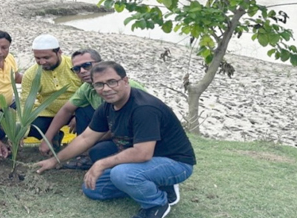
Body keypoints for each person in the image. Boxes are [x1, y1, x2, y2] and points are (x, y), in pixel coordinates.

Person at [36, 61, 195, 218]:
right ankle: (152, 184)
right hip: (142, 162)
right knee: (93, 188)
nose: (106, 89)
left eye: (112, 82)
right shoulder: (106, 107)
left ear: (125, 81)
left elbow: (142, 153)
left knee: (122, 174)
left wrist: (102, 164)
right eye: (99, 84)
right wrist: (55, 160)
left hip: (175, 162)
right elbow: (85, 138)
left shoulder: (144, 108)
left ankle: (157, 203)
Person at [39, 49, 146, 169]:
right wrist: (47, 139)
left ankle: (88, 155)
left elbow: (119, 126)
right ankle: (84, 153)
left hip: (136, 137)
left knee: (98, 152)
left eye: (87, 65)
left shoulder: (121, 88)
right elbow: (66, 110)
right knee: (81, 110)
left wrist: (89, 144)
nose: (82, 71)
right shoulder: (87, 87)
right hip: (112, 129)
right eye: (77, 69)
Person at [20, 34, 81, 140]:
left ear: (59, 53)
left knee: (89, 122)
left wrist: (79, 115)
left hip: (78, 110)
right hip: (50, 112)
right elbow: (25, 101)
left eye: (46, 57)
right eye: (37, 58)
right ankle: (55, 136)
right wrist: (20, 129)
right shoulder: (31, 74)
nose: (42, 62)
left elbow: (92, 93)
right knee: (33, 127)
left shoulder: (76, 66)